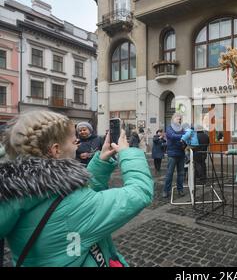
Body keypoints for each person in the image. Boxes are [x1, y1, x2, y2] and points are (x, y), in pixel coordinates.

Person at [0, 110, 153, 267]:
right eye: (74, 142)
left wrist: (99, 162)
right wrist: (128, 154)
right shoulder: (73, 207)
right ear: (56, 150)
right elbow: (140, 192)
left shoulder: (17, 192)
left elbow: (71, 194)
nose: (77, 145)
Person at [163, 113, 186, 198]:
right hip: (172, 154)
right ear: (173, 119)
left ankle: (180, 189)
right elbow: (172, 136)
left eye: (180, 119)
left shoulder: (182, 128)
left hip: (181, 153)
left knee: (181, 173)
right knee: (169, 173)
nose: (179, 120)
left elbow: (185, 137)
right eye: (177, 119)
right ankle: (166, 190)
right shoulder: (169, 128)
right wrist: (184, 135)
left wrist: (184, 137)